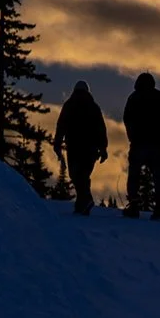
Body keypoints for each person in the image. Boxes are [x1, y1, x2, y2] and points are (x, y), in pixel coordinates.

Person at [122, 71, 160, 220]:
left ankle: (134, 206)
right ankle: (159, 209)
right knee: (159, 177)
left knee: (134, 175)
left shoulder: (134, 98)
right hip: (157, 145)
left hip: (139, 144)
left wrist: (132, 136)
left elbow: (126, 119)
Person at [52, 80, 107, 217]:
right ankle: (83, 203)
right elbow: (101, 129)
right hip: (91, 149)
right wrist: (103, 148)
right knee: (84, 175)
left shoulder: (69, 105)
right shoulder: (94, 107)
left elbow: (61, 125)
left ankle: (84, 201)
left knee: (76, 175)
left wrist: (57, 143)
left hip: (74, 147)